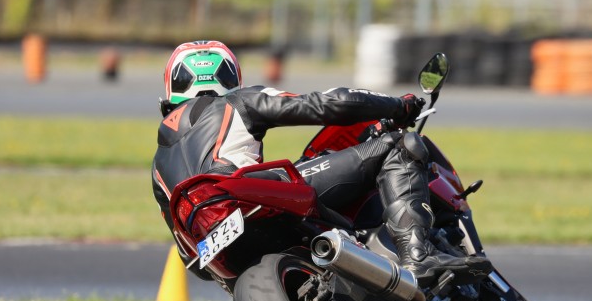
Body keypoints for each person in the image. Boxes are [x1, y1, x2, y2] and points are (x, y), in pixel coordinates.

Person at [151, 40, 491, 286]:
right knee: (400, 145)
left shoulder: (158, 165)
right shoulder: (239, 101)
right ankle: (418, 255)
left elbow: (190, 261)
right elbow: (330, 104)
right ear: (230, 78)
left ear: (171, 90)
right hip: (248, 198)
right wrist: (395, 107)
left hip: (217, 248)